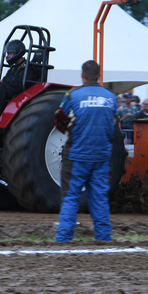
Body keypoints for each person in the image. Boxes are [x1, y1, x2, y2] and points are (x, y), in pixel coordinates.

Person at [54, 60, 118, 243]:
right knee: (99, 197)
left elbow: (59, 119)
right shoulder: (111, 97)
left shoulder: (72, 95)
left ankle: (64, 237)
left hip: (76, 156)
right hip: (101, 156)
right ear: (99, 75)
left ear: (82, 75)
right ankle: (104, 237)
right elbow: (113, 128)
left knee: (71, 195)